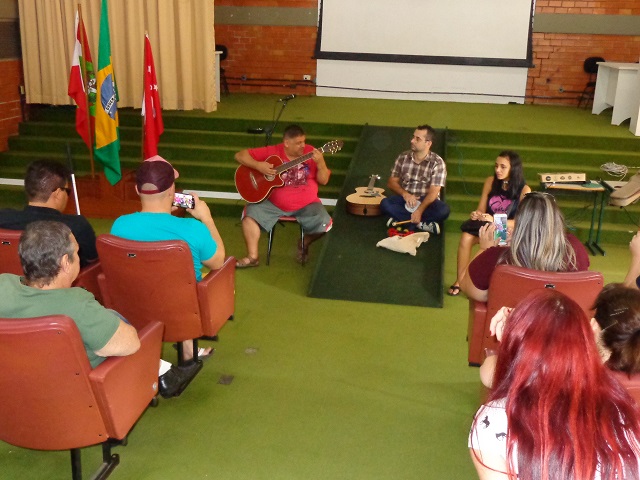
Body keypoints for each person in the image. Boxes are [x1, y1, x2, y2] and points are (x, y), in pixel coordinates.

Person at [469, 289, 640, 480]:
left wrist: (522, 333)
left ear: (591, 325)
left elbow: (493, 374)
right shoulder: (626, 413)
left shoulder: (494, 421)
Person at [111, 156, 225, 361]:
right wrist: (206, 218)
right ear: (172, 191)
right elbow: (218, 262)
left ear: (137, 190)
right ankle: (188, 348)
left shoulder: (119, 225)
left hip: (134, 306)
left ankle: (183, 349)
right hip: (182, 312)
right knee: (188, 281)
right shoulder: (192, 229)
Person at [460, 191, 590, 302]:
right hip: (560, 327)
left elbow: (468, 288)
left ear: (520, 222)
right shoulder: (575, 248)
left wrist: (484, 250)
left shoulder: (495, 255)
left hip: (514, 328)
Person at [234, 124, 332, 267]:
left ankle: (304, 243)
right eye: (298, 143)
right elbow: (239, 155)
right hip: (273, 204)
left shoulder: (312, 153)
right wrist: (258, 165)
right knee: (249, 216)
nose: (303, 146)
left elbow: (323, 180)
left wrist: (321, 163)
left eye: (304, 141)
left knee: (326, 223)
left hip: (308, 205)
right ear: (286, 143)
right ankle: (252, 257)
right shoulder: (274, 152)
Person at [448, 151, 530, 297]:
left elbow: (520, 222)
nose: (498, 170)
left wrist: (494, 220)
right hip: (487, 226)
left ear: (513, 169)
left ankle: (470, 279)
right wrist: (477, 214)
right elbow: (481, 209)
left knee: (496, 240)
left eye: (503, 167)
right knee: (466, 237)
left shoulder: (524, 189)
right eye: (496, 166)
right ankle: (460, 281)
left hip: (506, 229)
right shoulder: (490, 182)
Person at [0, 159, 98, 267]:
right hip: (62, 283)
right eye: (67, 191)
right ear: (58, 194)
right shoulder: (77, 226)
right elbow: (93, 261)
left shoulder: (3, 218)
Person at [379, 125, 450, 234]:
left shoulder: (438, 163)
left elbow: (433, 193)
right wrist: (405, 194)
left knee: (443, 210)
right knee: (384, 203)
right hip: (407, 200)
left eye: (418, 139)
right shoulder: (403, 157)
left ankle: (401, 220)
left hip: (426, 202)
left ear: (428, 143)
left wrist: (419, 211)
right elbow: (391, 183)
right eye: (413, 137)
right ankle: (422, 224)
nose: (412, 141)